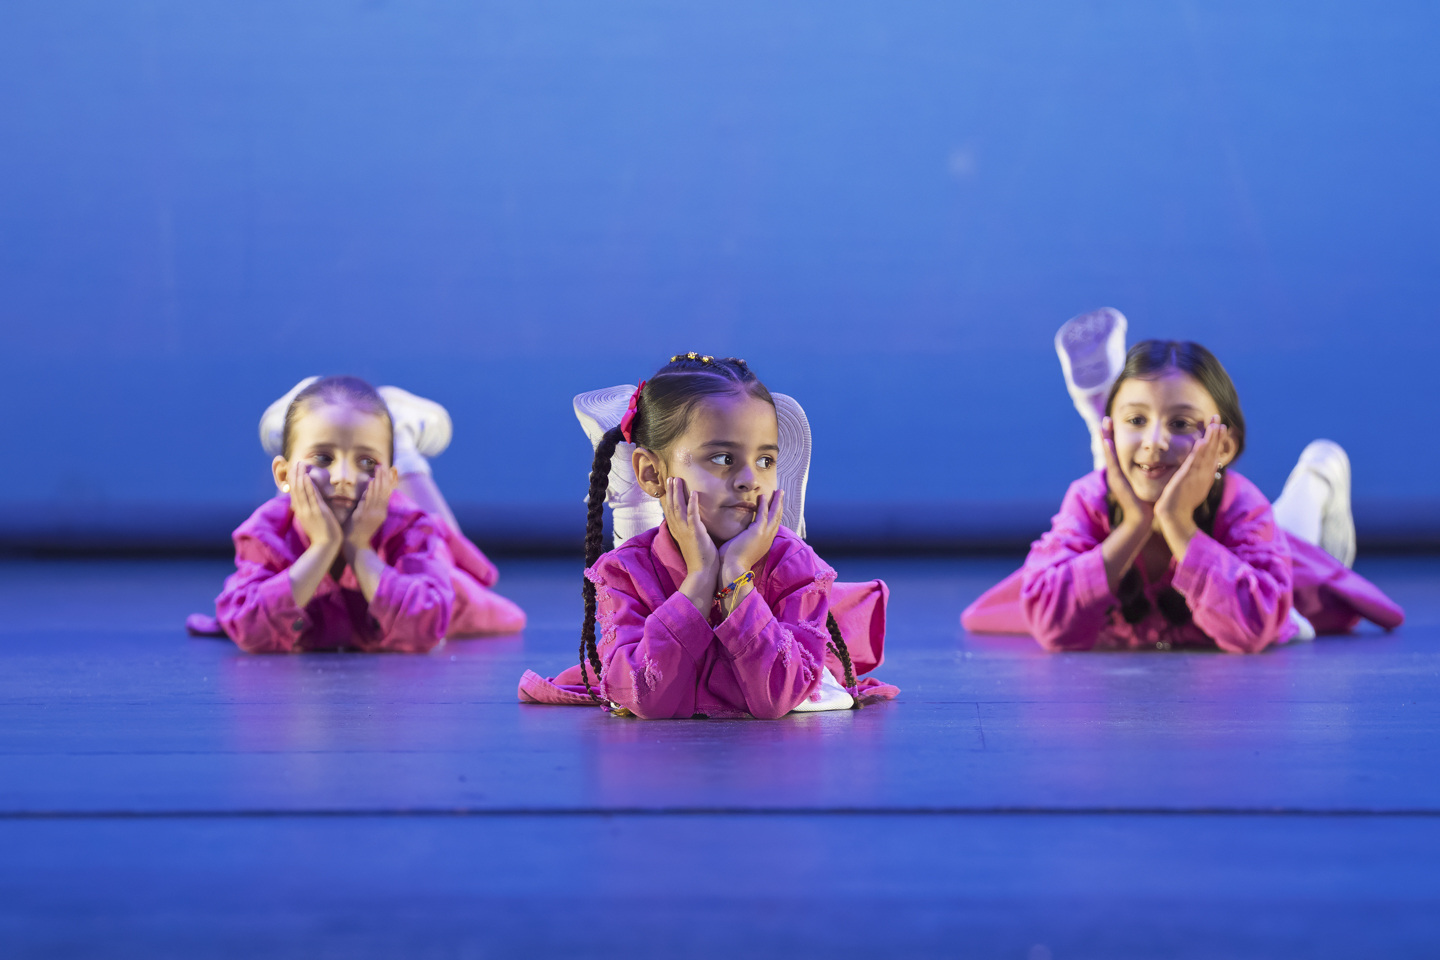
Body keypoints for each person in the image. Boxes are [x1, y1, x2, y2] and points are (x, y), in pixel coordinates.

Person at [962, 315, 1403, 652]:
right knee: (1128, 472)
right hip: (1123, 493)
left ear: (1223, 446)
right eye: (1137, 420)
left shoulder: (1241, 505)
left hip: (1273, 558)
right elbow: (1051, 625)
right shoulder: (1088, 498)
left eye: (1181, 423)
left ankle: (1318, 472)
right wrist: (1133, 526)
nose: (1155, 441)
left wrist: (1176, 524)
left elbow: (1252, 628)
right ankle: (1104, 416)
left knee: (1297, 540)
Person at [518, 353, 897, 717]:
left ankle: (645, 507)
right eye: (723, 459)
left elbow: (778, 698)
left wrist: (736, 576)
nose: (750, 480)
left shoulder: (795, 565)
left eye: (765, 461)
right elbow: (644, 698)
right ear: (650, 473)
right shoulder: (623, 573)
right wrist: (698, 581)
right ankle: (638, 506)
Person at [186, 376, 525, 653]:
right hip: (293, 500)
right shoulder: (265, 531)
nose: (344, 476)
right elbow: (248, 628)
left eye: (366, 462)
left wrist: (360, 551)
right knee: (302, 493)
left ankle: (402, 446)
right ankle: (308, 423)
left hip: (407, 532)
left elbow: (428, 626)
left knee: (459, 561)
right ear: (280, 473)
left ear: (390, 480)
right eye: (324, 457)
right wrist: (322, 547)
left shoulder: (408, 528)